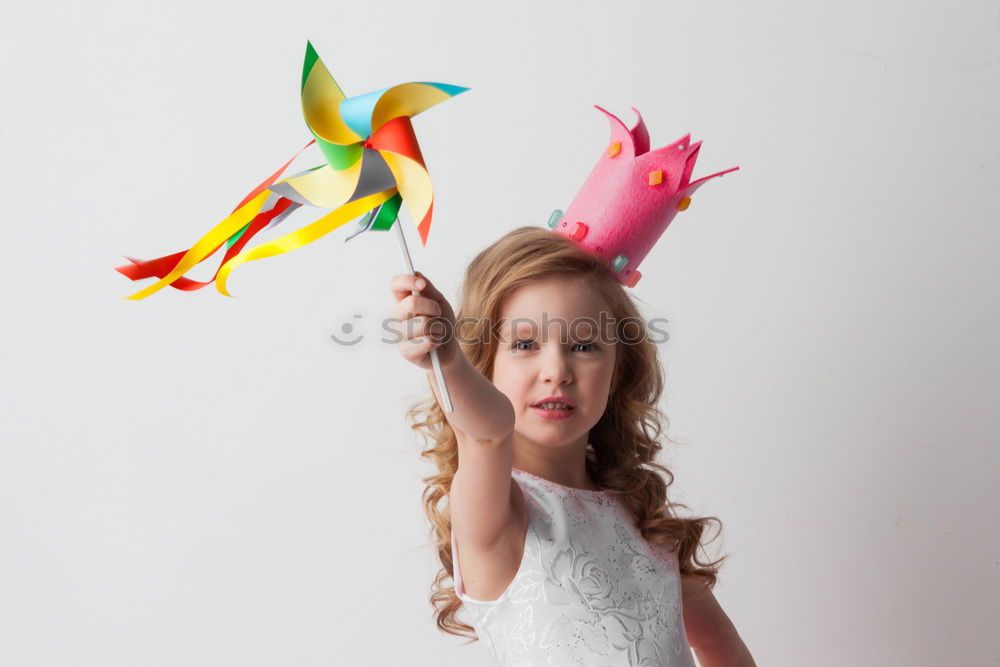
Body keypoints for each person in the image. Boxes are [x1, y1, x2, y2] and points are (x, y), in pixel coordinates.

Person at [389, 226, 756, 666]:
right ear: (483, 362)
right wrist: (446, 357)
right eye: (524, 344)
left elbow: (722, 648)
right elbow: (488, 432)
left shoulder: (641, 516)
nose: (556, 370)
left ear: (620, 368)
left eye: (584, 345)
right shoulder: (497, 516)